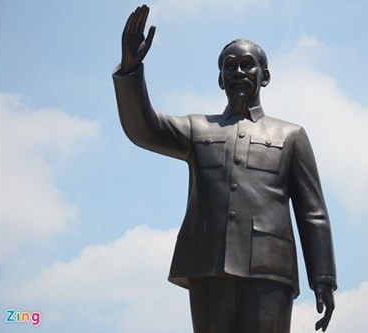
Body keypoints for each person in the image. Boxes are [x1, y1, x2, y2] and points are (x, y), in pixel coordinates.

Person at [112, 5, 337, 333]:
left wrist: (323, 278)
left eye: (248, 65)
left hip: (269, 269)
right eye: (230, 66)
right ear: (220, 79)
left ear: (265, 75)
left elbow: (312, 212)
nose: (239, 73)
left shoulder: (291, 136)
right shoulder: (198, 129)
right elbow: (144, 128)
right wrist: (131, 70)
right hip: (207, 265)